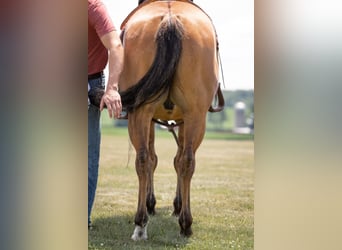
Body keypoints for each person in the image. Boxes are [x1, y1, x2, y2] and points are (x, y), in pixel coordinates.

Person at [88, 0, 124, 229]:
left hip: (90, 82)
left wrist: (111, 89)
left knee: (87, 156)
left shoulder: (92, 6)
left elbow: (115, 46)